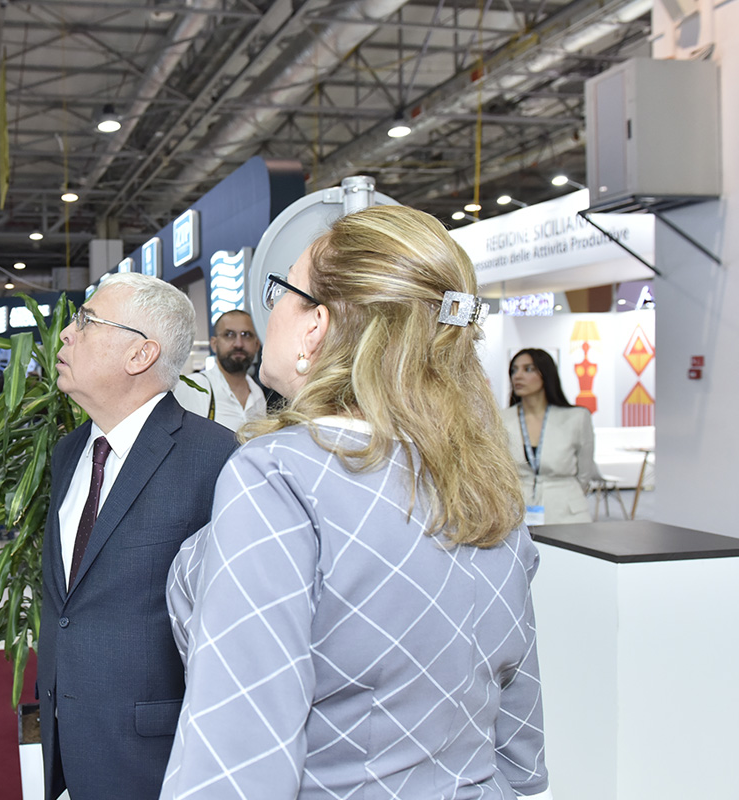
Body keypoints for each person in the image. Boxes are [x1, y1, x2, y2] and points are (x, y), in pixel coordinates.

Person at [160, 206, 550, 800]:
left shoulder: (281, 475)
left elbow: (237, 756)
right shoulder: (485, 485)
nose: (269, 313)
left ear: (315, 325)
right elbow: (520, 747)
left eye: (281, 291)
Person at [38, 272, 238, 800]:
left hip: (156, 757)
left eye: (86, 321)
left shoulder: (216, 458)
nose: (66, 333)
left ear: (140, 354)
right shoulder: (69, 452)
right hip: (69, 738)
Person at [504, 347, 602, 525]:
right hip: (517, 512)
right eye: (514, 370)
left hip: (567, 512)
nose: (517, 376)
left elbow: (584, 473)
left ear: (546, 374)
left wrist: (566, 495)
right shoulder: (502, 419)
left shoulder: (577, 417)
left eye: (528, 369)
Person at [172, 309, 267, 431]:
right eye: (229, 335)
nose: (238, 344)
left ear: (257, 345)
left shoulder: (258, 394)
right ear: (214, 344)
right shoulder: (196, 387)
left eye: (246, 335)